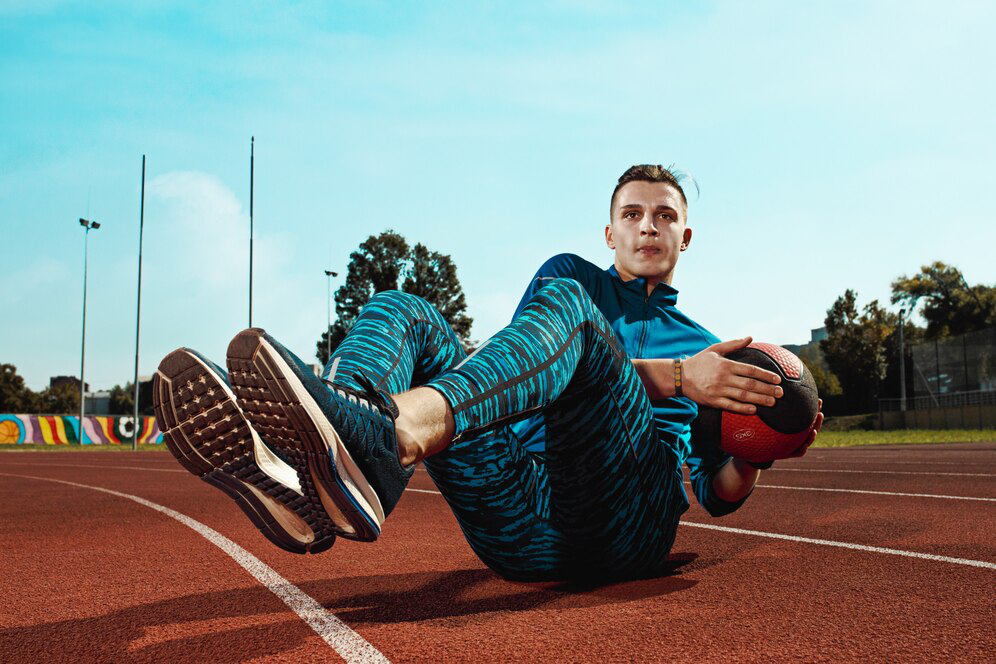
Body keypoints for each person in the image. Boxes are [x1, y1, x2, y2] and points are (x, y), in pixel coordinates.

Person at [153, 164, 823, 581]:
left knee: (574, 317)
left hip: (625, 526)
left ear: (686, 237)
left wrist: (762, 446)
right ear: (609, 233)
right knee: (404, 308)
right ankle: (344, 453)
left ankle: (384, 440)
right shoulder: (572, 277)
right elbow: (535, 384)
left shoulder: (709, 348)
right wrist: (677, 376)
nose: (648, 226)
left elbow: (717, 490)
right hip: (518, 528)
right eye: (632, 214)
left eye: (665, 215)